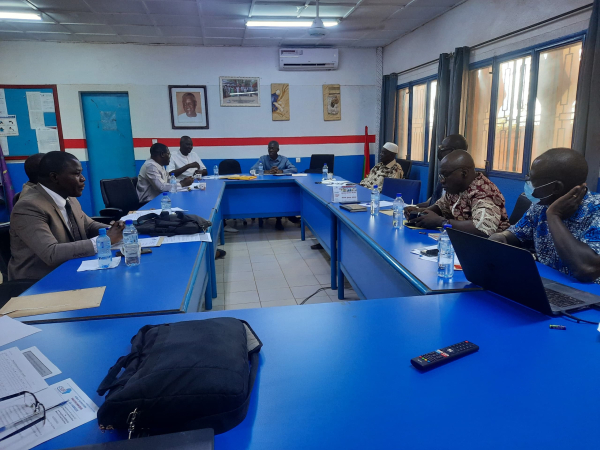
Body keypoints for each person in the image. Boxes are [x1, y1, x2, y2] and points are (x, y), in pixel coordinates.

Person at [8, 151, 125, 281]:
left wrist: (115, 230)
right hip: (40, 281)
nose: (83, 178)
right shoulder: (29, 207)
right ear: (54, 177)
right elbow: (51, 253)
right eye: (76, 174)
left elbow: (88, 225)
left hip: (73, 266)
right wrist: (104, 240)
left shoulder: (69, 198)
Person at [490, 148, 600, 283]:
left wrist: (554, 215)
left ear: (556, 188)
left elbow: (587, 269)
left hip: (589, 295)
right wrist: (499, 238)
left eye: (533, 180)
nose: (529, 184)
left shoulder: (596, 210)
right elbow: (514, 235)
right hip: (548, 285)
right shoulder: (540, 206)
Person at [411, 150, 509, 237]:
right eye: (441, 176)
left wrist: (441, 222)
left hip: (489, 249)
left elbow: (482, 229)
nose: (442, 181)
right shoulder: (457, 187)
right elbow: (441, 206)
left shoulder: (484, 192)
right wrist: (419, 212)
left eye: (446, 175)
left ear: (464, 173)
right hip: (461, 242)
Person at [404, 134, 468, 218]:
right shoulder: (445, 172)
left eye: (442, 148)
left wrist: (441, 222)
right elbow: (436, 202)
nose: (439, 150)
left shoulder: (463, 181)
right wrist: (416, 208)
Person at [250, 141, 298, 230]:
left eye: (272, 148)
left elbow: (294, 169)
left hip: (281, 187)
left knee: (280, 196)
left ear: (278, 150)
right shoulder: (263, 159)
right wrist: (266, 171)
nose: (270, 150)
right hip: (266, 188)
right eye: (269, 148)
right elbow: (252, 170)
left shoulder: (284, 159)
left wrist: (281, 171)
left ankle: (279, 219)